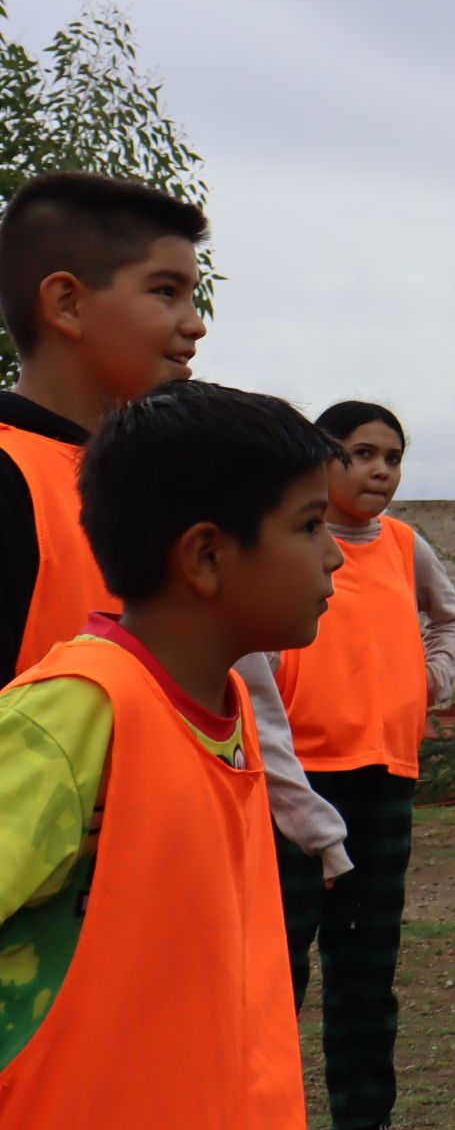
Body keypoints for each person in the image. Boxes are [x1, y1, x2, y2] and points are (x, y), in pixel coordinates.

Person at [0, 380, 345, 1127]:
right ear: (207, 556)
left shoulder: (230, 710)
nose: (335, 556)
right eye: (311, 524)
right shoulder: (74, 714)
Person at [0, 172, 351, 880]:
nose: (195, 323)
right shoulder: (12, 476)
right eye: (166, 291)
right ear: (66, 302)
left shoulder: (176, 481)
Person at [268, 400, 455, 1129]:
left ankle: (366, 1117)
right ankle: (267, 1109)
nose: (380, 469)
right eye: (362, 453)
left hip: (385, 779)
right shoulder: (294, 540)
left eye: (393, 456)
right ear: (324, 458)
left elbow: (451, 616)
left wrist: (431, 678)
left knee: (366, 972)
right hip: (295, 782)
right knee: (279, 964)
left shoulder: (407, 545)